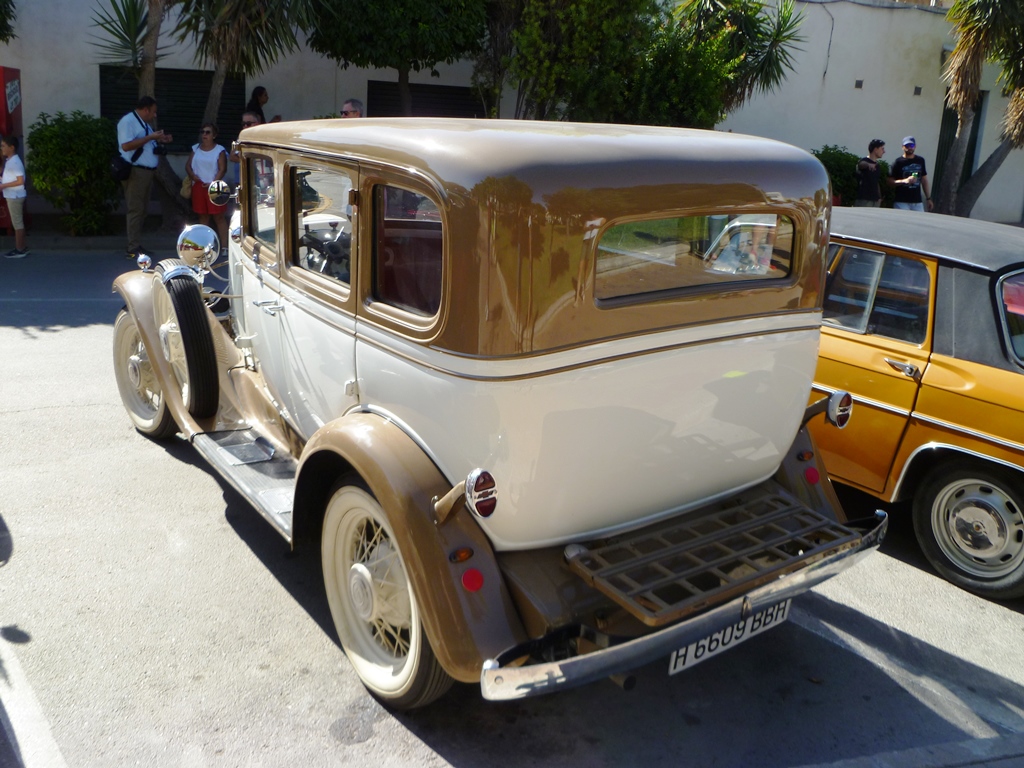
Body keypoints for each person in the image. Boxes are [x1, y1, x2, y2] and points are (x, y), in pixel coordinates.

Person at [118, 95, 173, 259]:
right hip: (136, 171)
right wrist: (150, 137)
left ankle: (136, 243)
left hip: (147, 171)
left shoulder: (144, 124)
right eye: (153, 112)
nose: (154, 115)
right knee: (136, 209)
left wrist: (162, 139)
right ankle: (132, 247)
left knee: (142, 210)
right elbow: (126, 146)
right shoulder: (128, 122)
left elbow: (147, 144)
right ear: (146, 109)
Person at [186, 123, 228, 256]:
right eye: (202, 132)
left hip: (215, 186)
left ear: (214, 135)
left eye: (208, 132)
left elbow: (223, 169)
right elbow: (188, 166)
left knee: (219, 217)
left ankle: (225, 247)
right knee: (203, 217)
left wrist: (213, 182)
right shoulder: (196, 148)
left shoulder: (219, 150)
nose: (204, 134)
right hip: (198, 186)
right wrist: (193, 176)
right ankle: (205, 246)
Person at [1, 135, 29, 258]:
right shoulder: (11, 161)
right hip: (13, 195)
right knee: (17, 223)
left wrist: (3, 186)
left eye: (3, 146)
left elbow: (20, 181)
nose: (1, 148)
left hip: (15, 196)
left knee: (17, 223)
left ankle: (19, 249)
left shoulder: (15, 162)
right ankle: (21, 247)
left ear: (11, 147)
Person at [890, 136, 933, 212]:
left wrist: (928, 198)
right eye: (907, 146)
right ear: (903, 147)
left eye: (912, 145)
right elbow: (890, 181)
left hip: (917, 202)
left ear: (915, 146)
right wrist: (904, 181)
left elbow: (924, 180)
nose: (910, 148)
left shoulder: (920, 160)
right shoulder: (898, 162)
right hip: (901, 201)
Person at [227, 110, 262, 187]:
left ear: (256, 124)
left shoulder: (262, 139)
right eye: (243, 124)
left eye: (248, 124)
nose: (245, 126)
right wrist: (249, 159)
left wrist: (242, 157)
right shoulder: (241, 138)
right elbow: (232, 156)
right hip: (240, 182)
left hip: (257, 182)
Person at [854, 139, 885, 207]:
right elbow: (861, 164)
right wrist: (868, 165)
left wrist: (879, 197)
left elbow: (876, 182)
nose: (884, 151)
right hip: (864, 199)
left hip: (875, 200)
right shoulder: (864, 160)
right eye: (882, 149)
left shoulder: (877, 166)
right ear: (876, 149)